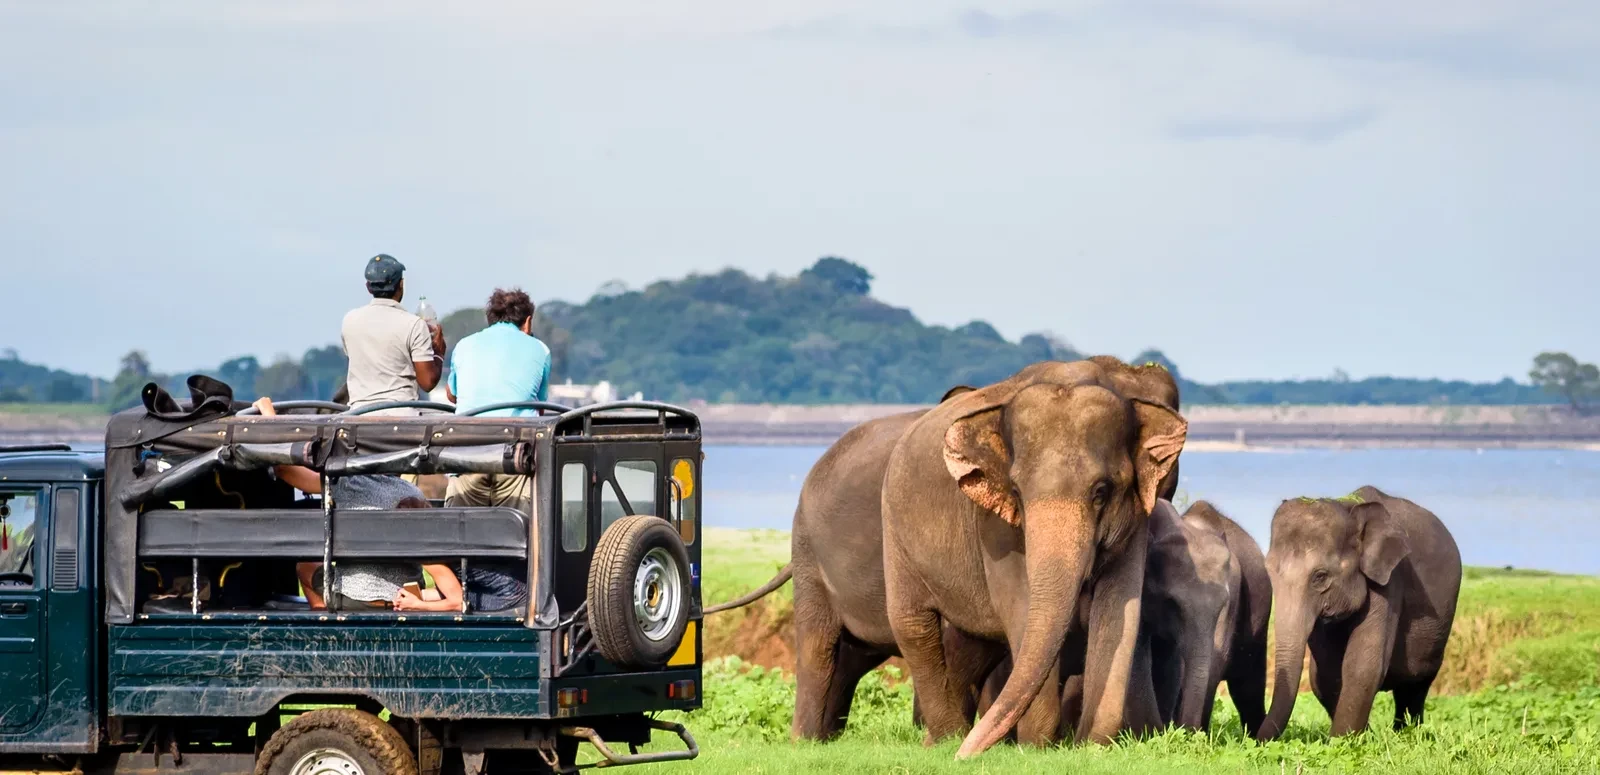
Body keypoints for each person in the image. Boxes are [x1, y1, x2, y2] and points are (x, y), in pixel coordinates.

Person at [443, 288, 551, 511]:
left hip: (466, 452)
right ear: (527, 322)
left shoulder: (464, 345)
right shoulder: (540, 349)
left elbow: (452, 395)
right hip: (515, 455)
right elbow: (539, 406)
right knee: (519, 529)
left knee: (459, 529)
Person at [341, 254, 447, 416]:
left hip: (359, 414)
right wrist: (438, 354)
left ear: (368, 287)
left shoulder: (349, 320)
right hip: (401, 415)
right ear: (401, 284)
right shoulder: (414, 324)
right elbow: (427, 383)